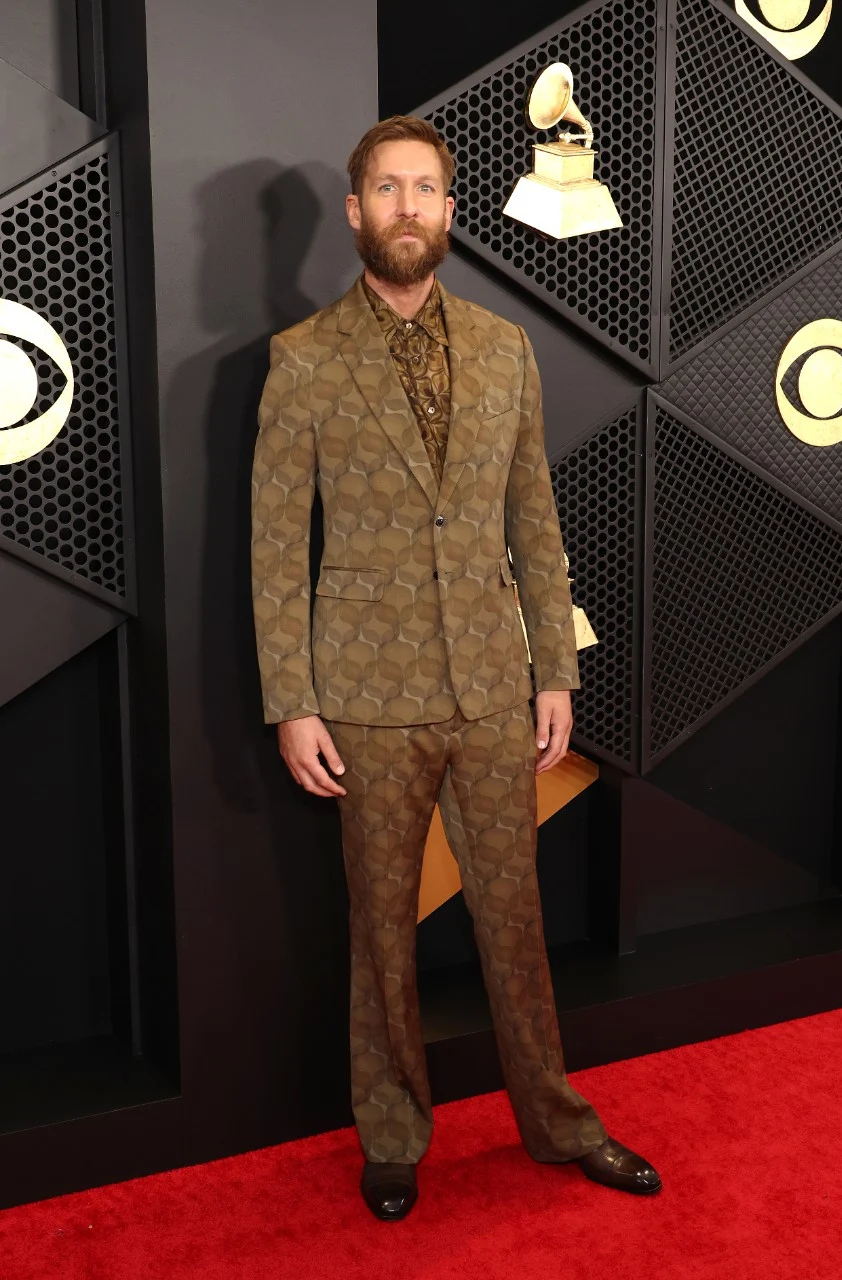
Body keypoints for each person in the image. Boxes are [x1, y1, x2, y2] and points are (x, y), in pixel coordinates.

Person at [251, 115, 660, 1221]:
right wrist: (292, 702)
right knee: (381, 927)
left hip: (492, 685)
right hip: (364, 695)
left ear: (448, 209)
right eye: (386, 189)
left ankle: (558, 1122)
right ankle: (390, 1133)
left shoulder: (502, 348)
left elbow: (534, 517)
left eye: (424, 189)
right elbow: (276, 546)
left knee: (515, 919)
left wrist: (553, 669)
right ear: (355, 211)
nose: (406, 207)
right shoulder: (303, 359)